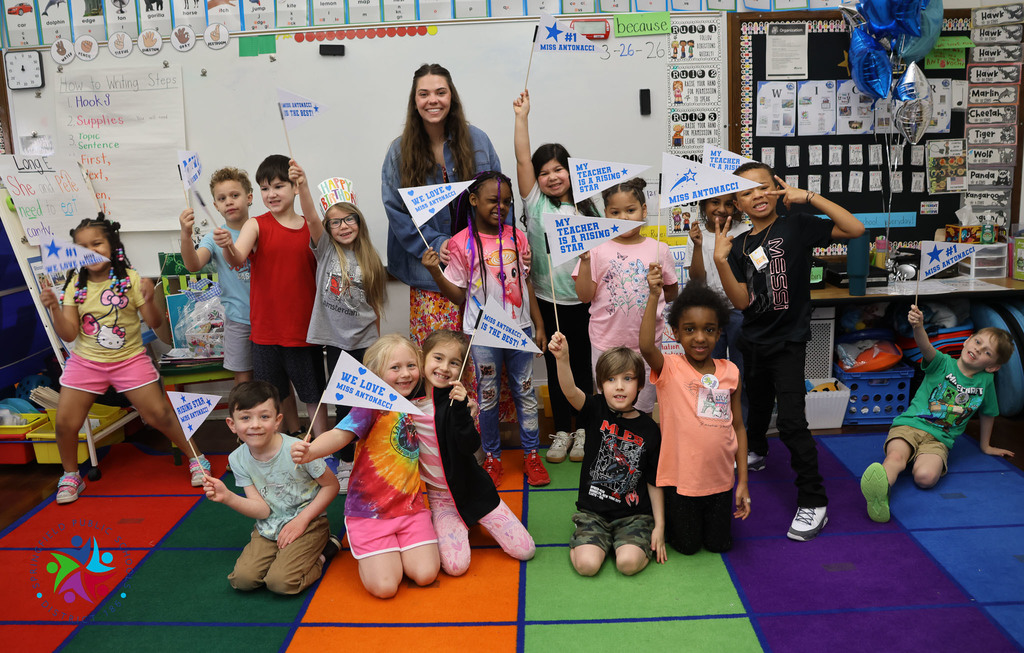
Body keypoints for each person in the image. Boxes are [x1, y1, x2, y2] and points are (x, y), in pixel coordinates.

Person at [713, 162, 865, 541]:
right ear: (737, 203)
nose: (757, 196)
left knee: (793, 420)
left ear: (778, 190)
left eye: (764, 187)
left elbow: (855, 229)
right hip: (754, 339)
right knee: (758, 400)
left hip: (790, 342)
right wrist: (719, 261)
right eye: (747, 192)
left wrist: (809, 197)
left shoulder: (797, 226)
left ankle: (814, 501)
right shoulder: (741, 244)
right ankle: (758, 451)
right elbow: (743, 302)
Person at [39, 214, 210, 504]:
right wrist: (55, 308)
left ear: (112, 245)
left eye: (97, 243)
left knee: (159, 414)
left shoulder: (130, 279)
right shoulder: (74, 286)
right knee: (66, 422)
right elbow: (68, 334)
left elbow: (155, 324)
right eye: (83, 247)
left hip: (129, 360)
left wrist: (149, 297)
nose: (91, 251)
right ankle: (70, 475)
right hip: (86, 363)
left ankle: (196, 457)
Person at [423, 171, 550, 488]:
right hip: (482, 335)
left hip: (518, 329)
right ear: (474, 200)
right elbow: (458, 296)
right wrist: (435, 273)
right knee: (488, 397)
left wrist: (539, 323)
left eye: (507, 201)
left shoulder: (517, 238)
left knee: (525, 394)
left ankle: (532, 454)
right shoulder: (460, 243)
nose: (502, 206)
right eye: (495, 200)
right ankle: (492, 458)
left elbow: (526, 282)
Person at [291, 334, 440, 599]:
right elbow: (340, 434)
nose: (405, 374)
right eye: (395, 367)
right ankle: (375, 551)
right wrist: (312, 451)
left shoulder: (414, 403)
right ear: (374, 374)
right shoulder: (368, 407)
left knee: (426, 574)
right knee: (385, 588)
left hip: (410, 509)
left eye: (411, 365)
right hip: (369, 514)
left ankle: (396, 549)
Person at [381, 63, 502, 346]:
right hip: (430, 276)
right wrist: (437, 244)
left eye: (440, 92)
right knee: (440, 362)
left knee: (483, 363)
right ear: (415, 101)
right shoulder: (399, 151)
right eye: (423, 94)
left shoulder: (478, 141)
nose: (432, 100)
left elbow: (499, 196)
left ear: (452, 97)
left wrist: (508, 246)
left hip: (480, 271)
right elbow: (395, 209)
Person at [860, 306, 1015, 523]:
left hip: (939, 440)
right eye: (978, 342)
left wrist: (985, 446)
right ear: (967, 340)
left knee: (925, 478)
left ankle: (905, 467)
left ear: (993, 367)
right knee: (896, 457)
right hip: (910, 426)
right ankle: (879, 492)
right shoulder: (941, 362)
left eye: (987, 352)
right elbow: (925, 346)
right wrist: (918, 326)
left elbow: (989, 412)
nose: (979, 350)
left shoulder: (985, 382)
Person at [512, 89, 599, 465]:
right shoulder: (536, 204)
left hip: (584, 303)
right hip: (547, 303)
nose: (551, 177)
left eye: (558, 169)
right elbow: (520, 159)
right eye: (544, 171)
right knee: (555, 365)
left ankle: (585, 429)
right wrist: (522, 117)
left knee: (584, 366)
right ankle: (562, 429)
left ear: (572, 171)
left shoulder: (587, 209)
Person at [640, 274, 751, 554]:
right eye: (690, 330)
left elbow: (738, 428)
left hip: (721, 483)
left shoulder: (731, 372)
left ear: (719, 332)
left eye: (709, 330)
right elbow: (644, 347)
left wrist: (743, 483)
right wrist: (654, 296)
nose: (700, 338)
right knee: (687, 547)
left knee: (719, 546)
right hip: (681, 484)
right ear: (676, 332)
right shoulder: (670, 368)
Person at [219, 155, 327, 438]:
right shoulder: (255, 225)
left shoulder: (310, 226)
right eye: (265, 189)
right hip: (265, 333)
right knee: (269, 397)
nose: (271, 194)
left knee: (313, 394)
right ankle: (275, 450)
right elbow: (236, 258)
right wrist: (228, 246)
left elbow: (315, 223)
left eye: (278, 186)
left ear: (294, 188)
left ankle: (325, 448)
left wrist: (305, 188)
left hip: (304, 332)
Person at [294, 167, 387, 493]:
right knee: (344, 405)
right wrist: (302, 186)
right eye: (335, 222)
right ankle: (346, 461)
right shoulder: (326, 251)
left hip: (365, 342)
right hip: (336, 343)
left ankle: (369, 457)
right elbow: (310, 218)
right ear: (328, 228)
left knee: (367, 405)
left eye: (349, 219)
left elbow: (374, 308)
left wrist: (376, 348)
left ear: (359, 223)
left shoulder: (371, 258)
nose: (343, 226)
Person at [414, 330, 536, 575]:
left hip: (475, 491)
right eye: (438, 358)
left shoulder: (457, 401)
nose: (444, 367)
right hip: (441, 499)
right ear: (423, 358)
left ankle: (474, 519)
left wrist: (463, 411)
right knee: (456, 567)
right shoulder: (406, 401)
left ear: (461, 370)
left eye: (454, 362)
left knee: (526, 550)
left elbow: (470, 445)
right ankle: (459, 523)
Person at [202, 381, 340, 595]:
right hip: (269, 527)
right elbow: (262, 510)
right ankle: (286, 555)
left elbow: (332, 486)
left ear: (277, 421)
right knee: (242, 580)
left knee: (281, 583)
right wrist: (227, 497)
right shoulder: (237, 459)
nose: (255, 424)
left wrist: (301, 521)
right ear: (232, 424)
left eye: (264, 417)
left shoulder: (298, 450)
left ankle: (325, 551)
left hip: (309, 522)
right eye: (246, 417)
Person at [548, 332, 666, 576]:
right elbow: (570, 391)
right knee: (587, 566)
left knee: (628, 565)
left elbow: (654, 481)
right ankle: (594, 542)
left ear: (640, 385)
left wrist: (660, 526)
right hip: (594, 514)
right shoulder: (595, 408)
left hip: (634, 517)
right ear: (601, 385)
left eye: (628, 378)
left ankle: (624, 545)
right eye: (611, 379)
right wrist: (562, 358)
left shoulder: (650, 430)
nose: (620, 386)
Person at [573, 177, 678, 414]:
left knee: (641, 408)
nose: (623, 217)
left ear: (643, 210)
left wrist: (659, 286)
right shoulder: (597, 248)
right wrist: (586, 261)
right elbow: (584, 296)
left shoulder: (659, 248)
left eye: (630, 210)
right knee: (608, 407)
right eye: (615, 212)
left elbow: (672, 293)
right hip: (605, 343)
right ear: (605, 214)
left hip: (646, 347)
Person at [178, 167, 255, 386]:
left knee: (273, 375)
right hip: (238, 319)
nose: (228, 202)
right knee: (242, 377)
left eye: (234, 195)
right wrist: (185, 234)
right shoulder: (214, 237)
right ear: (215, 206)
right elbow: (193, 265)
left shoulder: (262, 228)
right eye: (222, 198)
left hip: (269, 320)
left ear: (249, 198)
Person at [686, 192, 750, 424]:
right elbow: (696, 279)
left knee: (742, 370)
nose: (721, 209)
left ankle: (741, 423)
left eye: (728, 204)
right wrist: (697, 246)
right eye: (715, 202)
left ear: (738, 206)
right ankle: (712, 421)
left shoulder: (744, 232)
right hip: (709, 315)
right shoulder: (697, 234)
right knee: (710, 370)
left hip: (739, 312)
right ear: (704, 204)